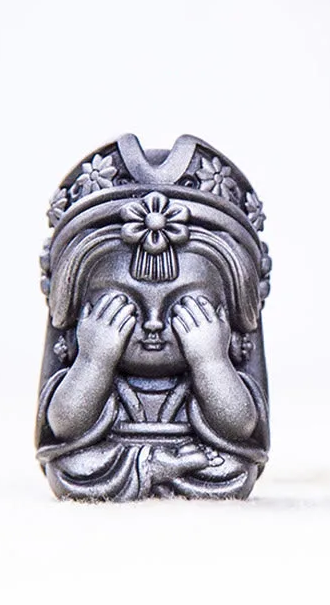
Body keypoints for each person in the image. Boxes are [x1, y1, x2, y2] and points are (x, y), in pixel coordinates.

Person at [36, 136, 271, 501]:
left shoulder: (210, 361)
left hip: (200, 462)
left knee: (230, 467)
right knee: (74, 466)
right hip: (107, 459)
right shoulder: (95, 361)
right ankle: (155, 469)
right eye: (123, 306)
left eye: (185, 307)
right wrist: (94, 359)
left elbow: (240, 427)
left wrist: (210, 360)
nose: (153, 323)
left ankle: (165, 468)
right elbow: (64, 425)